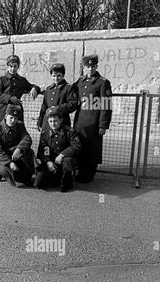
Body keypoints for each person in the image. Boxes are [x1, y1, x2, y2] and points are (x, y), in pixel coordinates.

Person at [0, 55, 40, 149]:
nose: (13, 69)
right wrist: (9, 98)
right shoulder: (1, 80)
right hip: (2, 110)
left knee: (16, 132)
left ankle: (15, 153)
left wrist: (34, 88)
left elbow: (31, 86)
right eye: (10, 66)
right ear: (7, 66)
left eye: (15, 66)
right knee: (1, 132)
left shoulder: (22, 80)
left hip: (16, 111)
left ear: (18, 67)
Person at [73, 54, 112, 183]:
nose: (90, 69)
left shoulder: (102, 82)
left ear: (96, 66)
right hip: (81, 121)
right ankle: (80, 171)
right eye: (88, 67)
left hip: (94, 121)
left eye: (93, 66)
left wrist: (103, 125)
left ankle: (89, 174)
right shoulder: (80, 81)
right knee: (80, 146)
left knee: (92, 148)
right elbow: (68, 90)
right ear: (84, 67)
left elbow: (106, 105)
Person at [0, 104, 36, 187]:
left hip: (14, 152)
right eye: (11, 117)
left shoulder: (20, 125)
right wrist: (9, 163)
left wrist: (19, 149)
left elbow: (27, 138)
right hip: (1, 155)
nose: (13, 121)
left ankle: (29, 172)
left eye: (16, 118)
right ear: (6, 116)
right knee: (5, 172)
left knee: (29, 152)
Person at [35, 107, 81, 192]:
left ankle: (67, 182)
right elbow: (43, 149)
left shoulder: (70, 131)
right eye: (50, 121)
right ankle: (56, 178)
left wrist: (62, 155)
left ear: (61, 120)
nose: (53, 124)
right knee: (38, 184)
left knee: (68, 161)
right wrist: (48, 162)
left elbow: (76, 146)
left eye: (55, 121)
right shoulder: (45, 133)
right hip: (52, 161)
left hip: (64, 160)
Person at [37, 63, 78, 133]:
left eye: (59, 76)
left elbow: (73, 104)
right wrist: (39, 122)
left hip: (62, 123)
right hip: (47, 123)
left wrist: (58, 109)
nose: (56, 78)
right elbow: (44, 107)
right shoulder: (48, 89)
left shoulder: (68, 88)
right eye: (54, 76)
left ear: (63, 75)